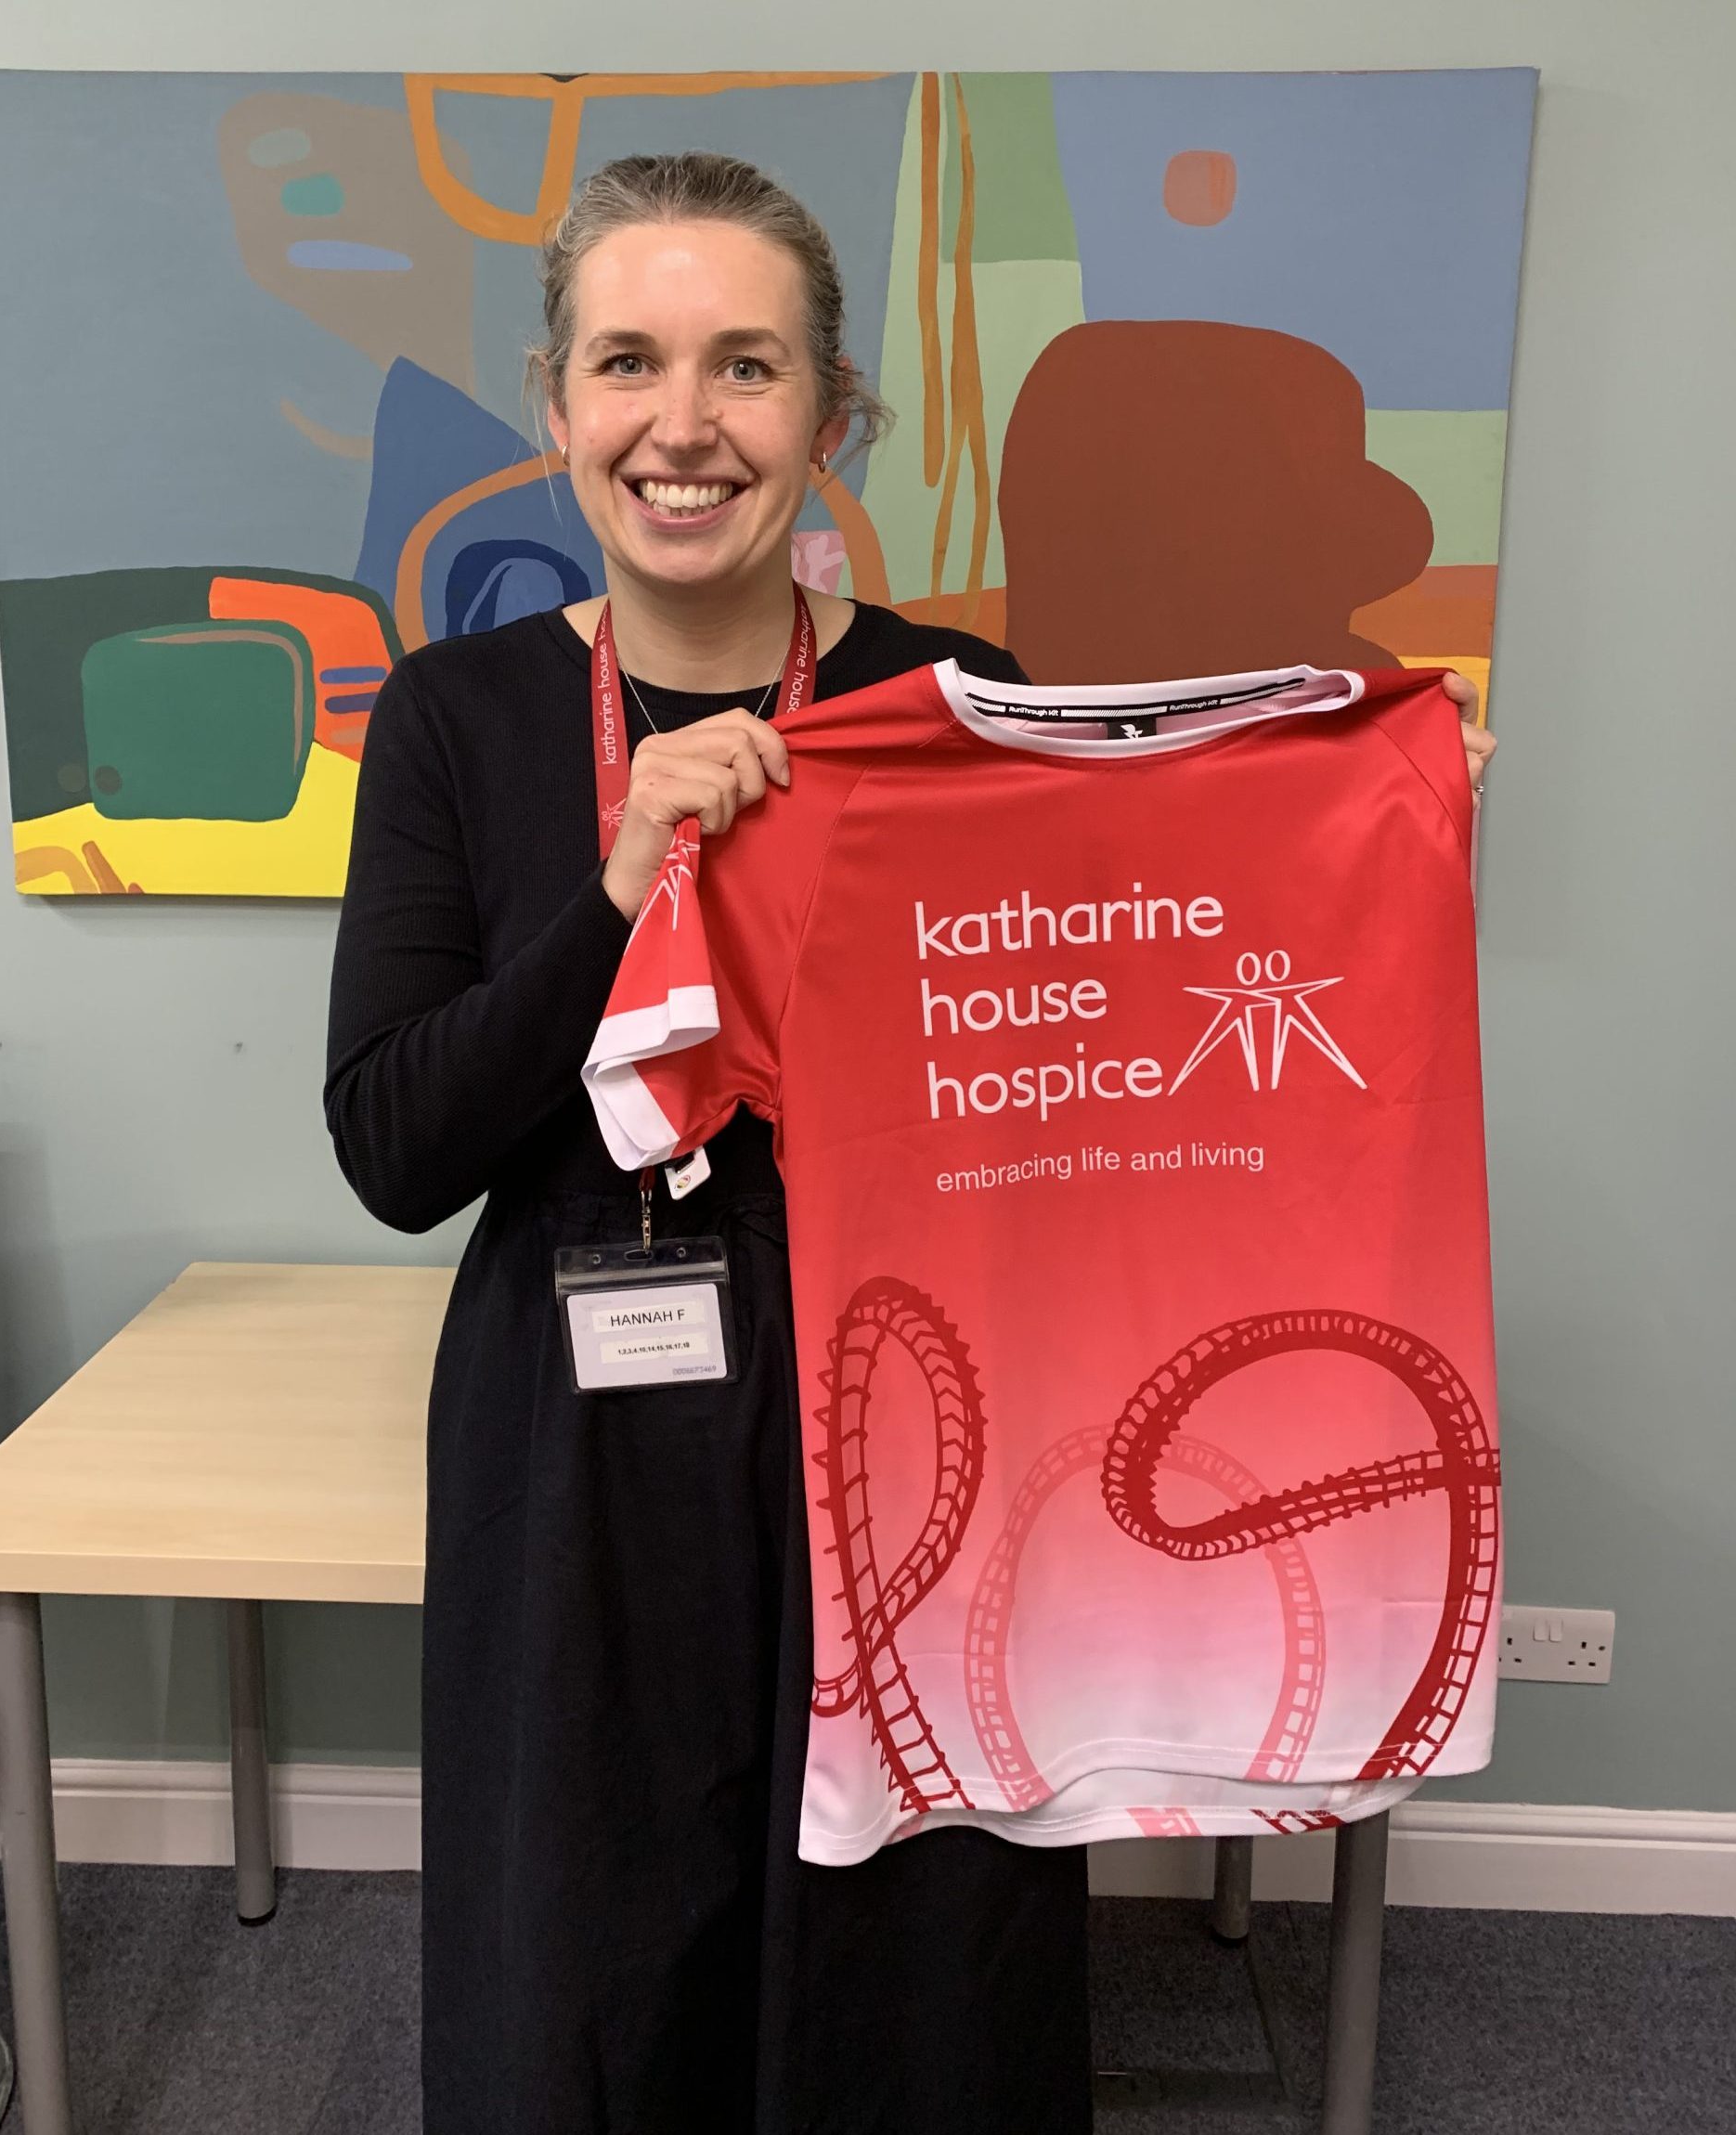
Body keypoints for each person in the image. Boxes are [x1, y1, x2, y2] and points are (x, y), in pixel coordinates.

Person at [325, 149, 1494, 2135]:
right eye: (628, 361)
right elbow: (400, 1142)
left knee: (910, 1943)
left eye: (747, 367)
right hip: (576, 1428)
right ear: (555, 402)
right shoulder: (454, 719)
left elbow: (1124, 1054)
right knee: (590, 1929)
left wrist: (1363, 820)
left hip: (914, 1414)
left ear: (834, 415)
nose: (682, 424)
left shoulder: (956, 707)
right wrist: (619, 896)